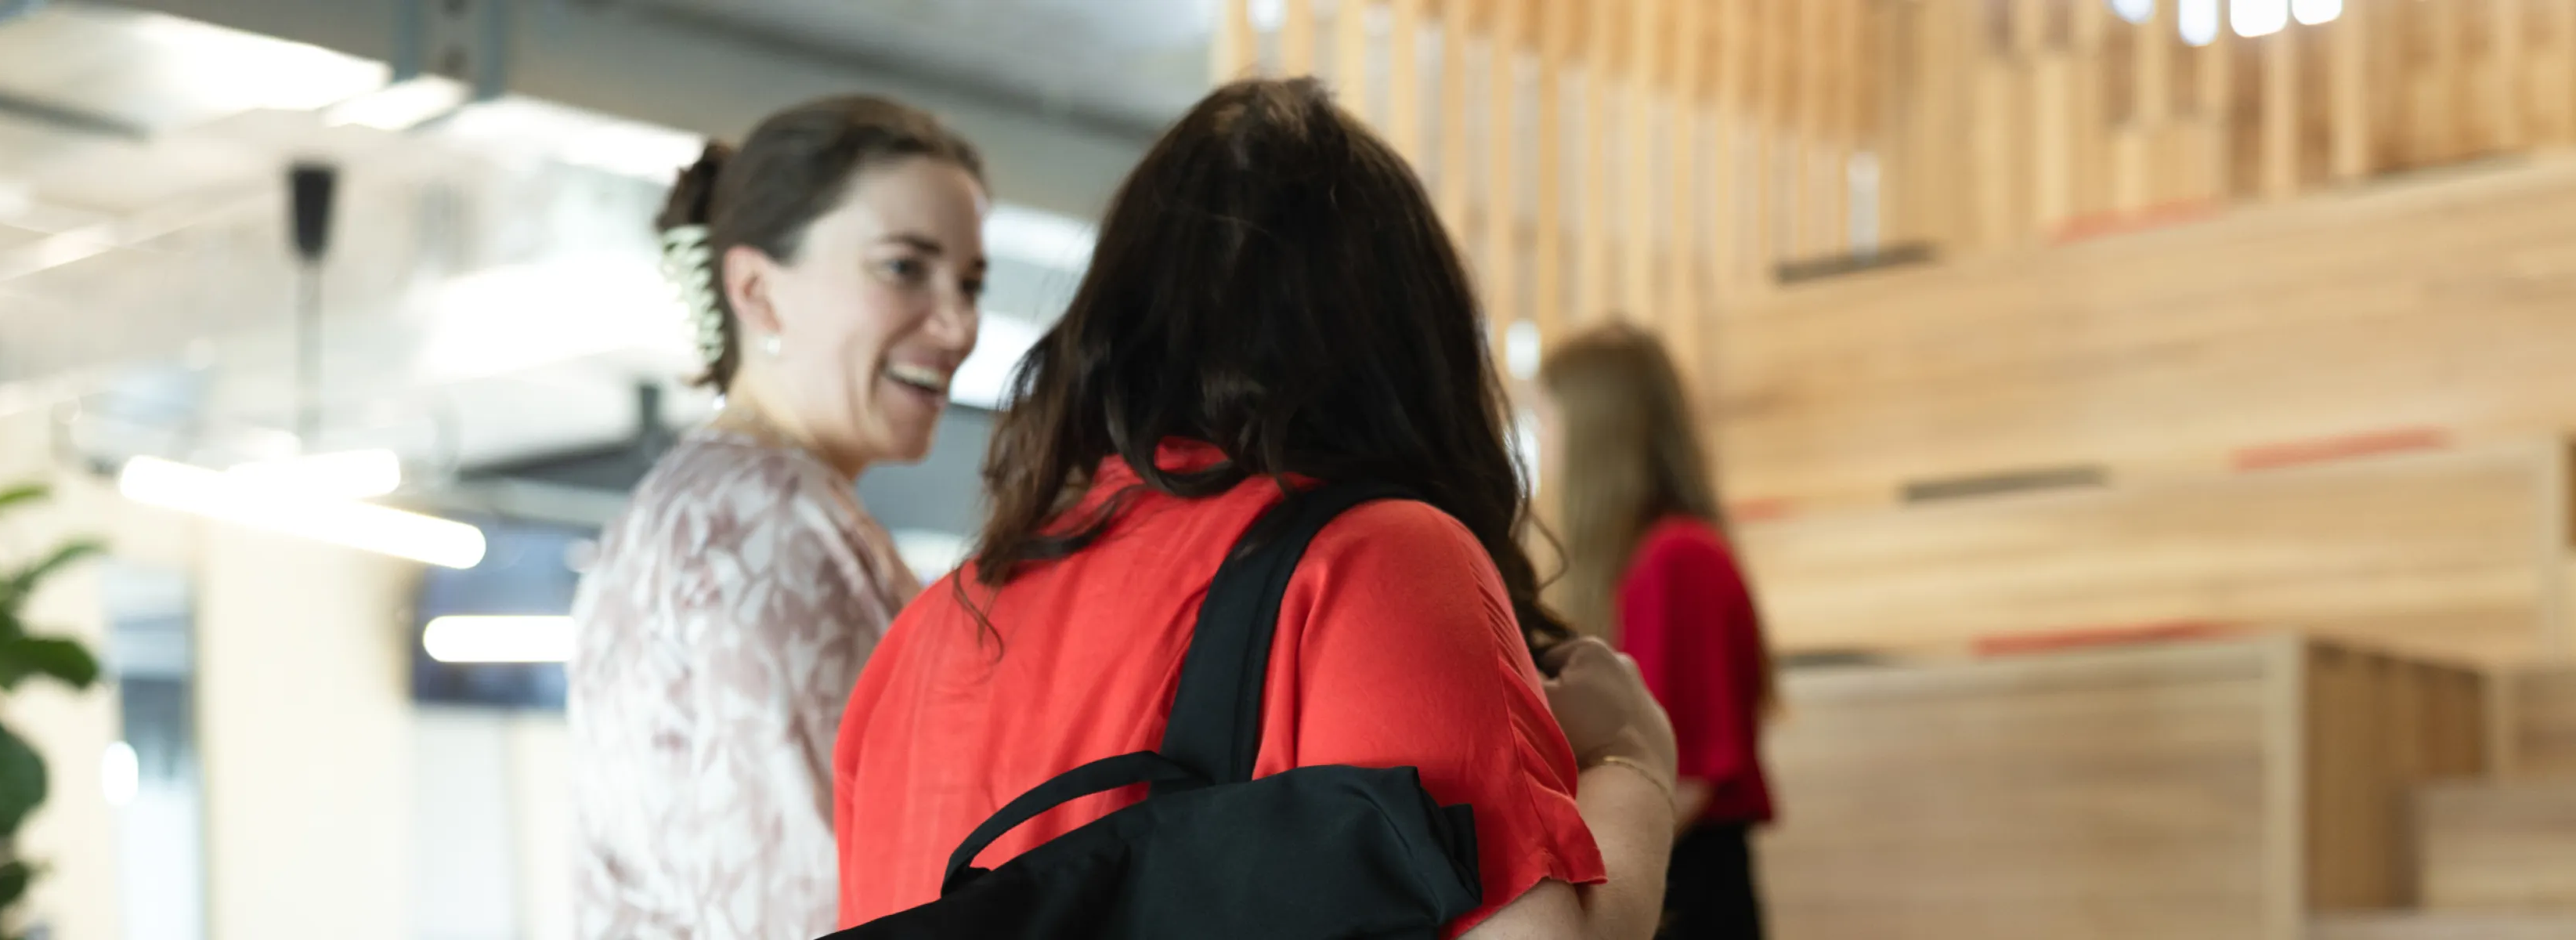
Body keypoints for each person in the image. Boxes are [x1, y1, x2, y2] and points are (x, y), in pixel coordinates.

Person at [831, 77, 1682, 938]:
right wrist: (1631, 761)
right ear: (1413, 344)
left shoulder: (920, 640)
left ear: (1109, 329)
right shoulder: (1378, 563)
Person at [566, 96, 988, 938]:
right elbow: (819, 905)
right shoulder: (764, 527)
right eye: (904, 268)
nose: (959, 324)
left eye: (971, 283)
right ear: (757, 290)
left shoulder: (703, 507)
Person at [1537, 324, 1778, 940]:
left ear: (1597, 428)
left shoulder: (1677, 558)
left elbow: (1688, 776)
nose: (1540, 439)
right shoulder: (1655, 556)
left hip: (1685, 882)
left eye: (1548, 417)